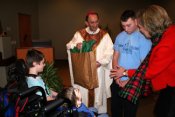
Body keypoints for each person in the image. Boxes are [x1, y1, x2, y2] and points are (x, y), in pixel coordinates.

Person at [110, 5, 175, 117]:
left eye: (141, 27)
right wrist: (118, 76)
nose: (140, 30)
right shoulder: (166, 35)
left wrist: (125, 73)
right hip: (167, 85)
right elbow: (116, 56)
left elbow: (149, 71)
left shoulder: (166, 44)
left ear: (151, 26)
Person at [66, 11, 113, 114]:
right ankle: (83, 112)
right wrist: (76, 46)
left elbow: (110, 52)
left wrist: (100, 62)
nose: (94, 25)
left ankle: (98, 113)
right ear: (86, 22)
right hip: (84, 73)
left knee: (98, 95)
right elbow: (69, 46)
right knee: (83, 95)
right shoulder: (79, 34)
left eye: (96, 22)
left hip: (98, 71)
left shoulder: (105, 35)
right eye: (92, 22)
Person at [110, 10, 152, 117]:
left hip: (133, 82)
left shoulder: (144, 39)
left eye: (128, 25)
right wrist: (116, 77)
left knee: (130, 113)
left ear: (136, 21)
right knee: (115, 111)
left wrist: (128, 80)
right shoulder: (120, 36)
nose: (126, 29)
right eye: (123, 26)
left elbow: (144, 65)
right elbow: (115, 56)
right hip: (117, 80)